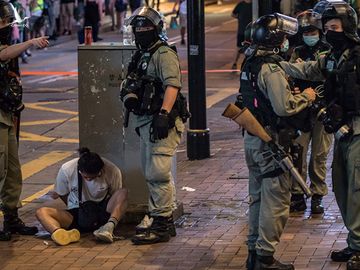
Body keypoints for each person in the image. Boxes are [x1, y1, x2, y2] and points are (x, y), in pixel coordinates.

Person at [278, 2, 360, 269]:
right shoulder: (334, 56)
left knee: (357, 189)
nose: (329, 33)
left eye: (334, 27)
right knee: (343, 185)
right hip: (343, 131)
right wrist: (275, 64)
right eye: (327, 29)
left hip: (358, 130)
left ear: (347, 27)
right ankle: (355, 243)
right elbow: (309, 69)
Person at [239, 13, 316, 269]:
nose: (286, 42)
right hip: (271, 142)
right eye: (284, 38)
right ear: (276, 40)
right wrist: (307, 96)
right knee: (275, 201)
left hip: (254, 141)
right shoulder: (270, 70)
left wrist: (322, 64)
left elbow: (296, 68)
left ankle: (254, 253)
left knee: (258, 199)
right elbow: (284, 107)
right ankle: (265, 258)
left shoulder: (252, 62)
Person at [120, 7, 188, 245]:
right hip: (146, 122)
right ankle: (163, 220)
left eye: (145, 28)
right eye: (137, 28)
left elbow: (172, 85)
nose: (140, 32)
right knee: (151, 172)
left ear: (157, 29)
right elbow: (131, 82)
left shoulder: (163, 53)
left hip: (161, 122)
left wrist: (163, 113)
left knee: (158, 173)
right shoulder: (142, 54)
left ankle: (160, 223)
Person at [0, 0, 49, 241]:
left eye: (9, 21)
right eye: (4, 21)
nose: (8, 26)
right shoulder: (6, 46)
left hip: (8, 112)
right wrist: (29, 42)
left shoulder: (7, 40)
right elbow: (3, 54)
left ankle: (11, 217)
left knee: (12, 170)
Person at [289, 9, 333, 214]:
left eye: (312, 32)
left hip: (323, 109)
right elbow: (290, 74)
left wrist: (304, 70)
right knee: (298, 152)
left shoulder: (328, 50)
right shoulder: (297, 50)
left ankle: (317, 195)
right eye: (306, 32)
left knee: (319, 156)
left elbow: (326, 74)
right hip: (301, 109)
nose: (309, 35)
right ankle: (298, 194)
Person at [36, 147, 128, 245]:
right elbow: (62, 193)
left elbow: (115, 195)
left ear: (100, 170)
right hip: (77, 213)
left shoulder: (113, 170)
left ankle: (108, 228)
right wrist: (74, 207)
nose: (89, 179)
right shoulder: (67, 169)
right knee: (41, 212)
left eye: (93, 177)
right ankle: (60, 234)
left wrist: (109, 218)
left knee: (123, 192)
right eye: (86, 177)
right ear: (79, 171)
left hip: (102, 212)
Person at [231, 0, 252, 69]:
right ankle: (237, 62)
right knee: (249, 47)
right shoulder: (254, 6)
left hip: (242, 30)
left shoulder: (241, 5)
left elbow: (233, 14)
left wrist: (239, 17)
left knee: (239, 47)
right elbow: (233, 14)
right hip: (248, 31)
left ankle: (235, 63)